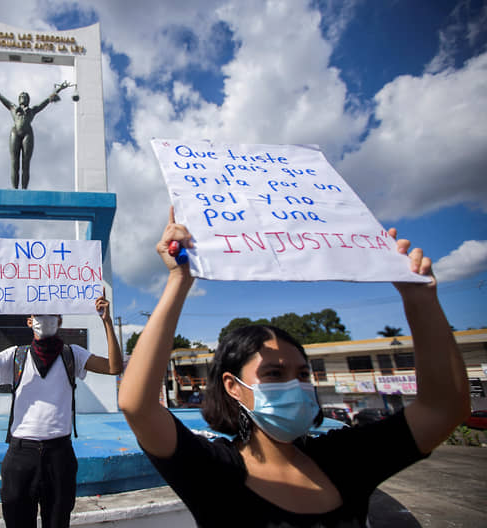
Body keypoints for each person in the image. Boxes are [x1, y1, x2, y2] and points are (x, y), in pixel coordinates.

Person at [118, 208, 470, 527]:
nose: (295, 384)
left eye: (303, 374)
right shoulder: (214, 469)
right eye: (273, 374)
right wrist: (179, 280)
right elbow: (137, 405)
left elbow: (443, 408)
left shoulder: (346, 459)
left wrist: (420, 299)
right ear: (232, 386)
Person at [0, 285, 123, 528]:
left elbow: (114, 367)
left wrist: (107, 322)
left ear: (60, 320)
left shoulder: (73, 354)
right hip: (20, 456)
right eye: (39, 313)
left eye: (52, 313)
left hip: (60, 456)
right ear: (29, 321)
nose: (45, 318)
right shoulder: (15, 355)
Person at [0, 78, 72, 189]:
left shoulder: (32, 110)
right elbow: (0, 96)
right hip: (15, 132)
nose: (23, 97)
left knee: (26, 163)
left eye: (25, 96)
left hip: (27, 133)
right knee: (14, 162)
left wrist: (59, 89)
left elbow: (47, 100)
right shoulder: (13, 107)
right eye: (21, 96)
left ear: (28, 100)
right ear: (18, 99)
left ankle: (24, 189)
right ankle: (14, 189)